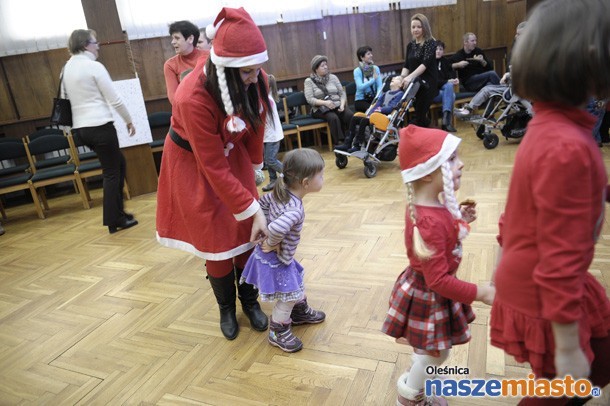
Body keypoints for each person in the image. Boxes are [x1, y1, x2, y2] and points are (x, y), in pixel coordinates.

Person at [490, 1, 610, 404]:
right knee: (565, 389)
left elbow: (523, 212)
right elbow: (560, 254)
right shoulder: (565, 145)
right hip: (545, 290)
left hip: (538, 280)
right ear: (591, 57)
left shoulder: (551, 126)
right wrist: (567, 345)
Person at [156, 7, 272, 340]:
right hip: (194, 165)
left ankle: (250, 302)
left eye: (256, 70)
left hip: (232, 155)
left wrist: (254, 167)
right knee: (217, 241)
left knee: (246, 236)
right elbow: (212, 165)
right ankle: (226, 308)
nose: (255, 77)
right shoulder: (192, 97)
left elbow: (256, 123)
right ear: (228, 69)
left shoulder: (256, 77)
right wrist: (251, 208)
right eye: (247, 73)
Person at [382, 125, 495, 406]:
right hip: (430, 293)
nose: (462, 164)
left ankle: (420, 368)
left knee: (432, 351)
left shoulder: (431, 206)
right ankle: (409, 395)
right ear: (430, 172)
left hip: (431, 289)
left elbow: (441, 241)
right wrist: (480, 292)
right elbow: (438, 280)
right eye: (453, 159)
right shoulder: (429, 220)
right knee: (438, 353)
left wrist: (460, 222)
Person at [240, 148, 326, 353]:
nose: (323, 178)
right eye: (321, 175)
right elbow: (277, 228)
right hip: (275, 259)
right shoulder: (295, 210)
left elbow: (263, 204)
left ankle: (299, 312)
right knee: (287, 296)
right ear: (306, 183)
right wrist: (272, 241)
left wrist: (270, 237)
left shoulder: (281, 191)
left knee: (296, 281)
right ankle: (278, 331)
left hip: (272, 255)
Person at [63, 29, 137, 234]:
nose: (98, 46)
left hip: (81, 129)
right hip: (100, 126)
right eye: (96, 42)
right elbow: (114, 99)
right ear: (86, 44)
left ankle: (119, 213)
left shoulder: (66, 68)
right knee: (112, 172)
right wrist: (129, 120)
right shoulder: (94, 66)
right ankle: (115, 220)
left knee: (118, 164)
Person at [454, 22, 528, 119]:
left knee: (489, 86)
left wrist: (482, 61)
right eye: (472, 41)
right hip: (470, 83)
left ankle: (488, 114)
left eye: (518, 34)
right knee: (490, 80)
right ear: (465, 42)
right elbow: (447, 65)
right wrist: (457, 65)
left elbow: (489, 67)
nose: (515, 36)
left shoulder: (530, 51)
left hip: (520, 87)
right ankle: (469, 109)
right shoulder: (459, 55)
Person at [335, 75, 404, 153]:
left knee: (364, 121)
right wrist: (370, 113)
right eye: (393, 78)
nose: (393, 78)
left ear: (401, 84)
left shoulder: (400, 94)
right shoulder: (386, 93)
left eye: (397, 79)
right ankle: (348, 143)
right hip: (376, 115)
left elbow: (391, 108)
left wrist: (379, 110)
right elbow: (377, 104)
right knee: (355, 118)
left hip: (386, 118)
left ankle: (358, 145)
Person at [304, 55, 354, 146]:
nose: (326, 67)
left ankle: (352, 138)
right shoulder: (309, 81)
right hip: (320, 108)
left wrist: (342, 105)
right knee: (333, 117)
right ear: (316, 69)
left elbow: (342, 93)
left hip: (337, 105)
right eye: (322, 65)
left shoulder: (333, 77)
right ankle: (340, 142)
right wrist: (325, 103)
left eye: (326, 65)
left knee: (349, 115)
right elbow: (309, 99)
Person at [400, 13, 438, 128]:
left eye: (419, 27)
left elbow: (424, 65)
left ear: (424, 27)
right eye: (413, 27)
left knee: (419, 116)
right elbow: (406, 65)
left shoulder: (430, 43)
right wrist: (401, 78)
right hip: (415, 83)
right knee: (420, 116)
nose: (415, 29)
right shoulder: (410, 45)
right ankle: (432, 135)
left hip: (428, 83)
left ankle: (426, 136)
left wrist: (409, 77)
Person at [163, 20, 208, 105]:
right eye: (172, 38)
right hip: (188, 108)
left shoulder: (209, 57)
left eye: (177, 38)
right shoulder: (170, 65)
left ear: (190, 39)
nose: (172, 42)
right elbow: (174, 99)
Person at [261, 74, 284, 192]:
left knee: (270, 160)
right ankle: (273, 180)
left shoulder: (267, 100)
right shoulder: (266, 98)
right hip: (267, 136)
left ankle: (290, 174)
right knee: (268, 159)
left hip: (273, 136)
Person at [431, 41, 458, 132]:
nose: (438, 51)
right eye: (436, 49)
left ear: (443, 51)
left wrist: (454, 79)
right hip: (432, 93)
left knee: (450, 88)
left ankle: (445, 121)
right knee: (451, 94)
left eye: (440, 49)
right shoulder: (428, 63)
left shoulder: (445, 61)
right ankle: (446, 122)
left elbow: (450, 74)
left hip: (444, 91)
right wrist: (447, 81)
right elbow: (433, 82)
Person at [353, 46, 382, 113]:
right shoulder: (357, 71)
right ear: (362, 57)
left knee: (383, 110)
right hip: (361, 100)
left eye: (371, 53)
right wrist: (373, 80)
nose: (371, 55)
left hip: (374, 98)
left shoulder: (375, 68)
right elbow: (360, 87)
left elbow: (379, 86)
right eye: (368, 54)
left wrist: (377, 98)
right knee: (374, 111)